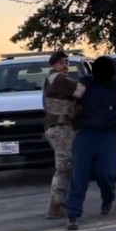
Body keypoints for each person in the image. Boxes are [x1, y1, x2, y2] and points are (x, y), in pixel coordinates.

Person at [65, 56, 116, 230]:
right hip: (86, 133)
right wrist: (76, 96)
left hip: (108, 134)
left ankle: (108, 197)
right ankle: (73, 214)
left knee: (106, 173)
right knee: (79, 174)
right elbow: (71, 107)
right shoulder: (86, 83)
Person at [43, 50, 86, 219]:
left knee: (63, 164)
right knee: (65, 164)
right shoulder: (57, 79)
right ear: (53, 65)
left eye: (67, 62)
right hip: (59, 127)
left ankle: (54, 207)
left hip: (62, 126)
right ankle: (60, 201)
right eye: (61, 63)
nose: (66, 66)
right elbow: (81, 90)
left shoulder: (54, 80)